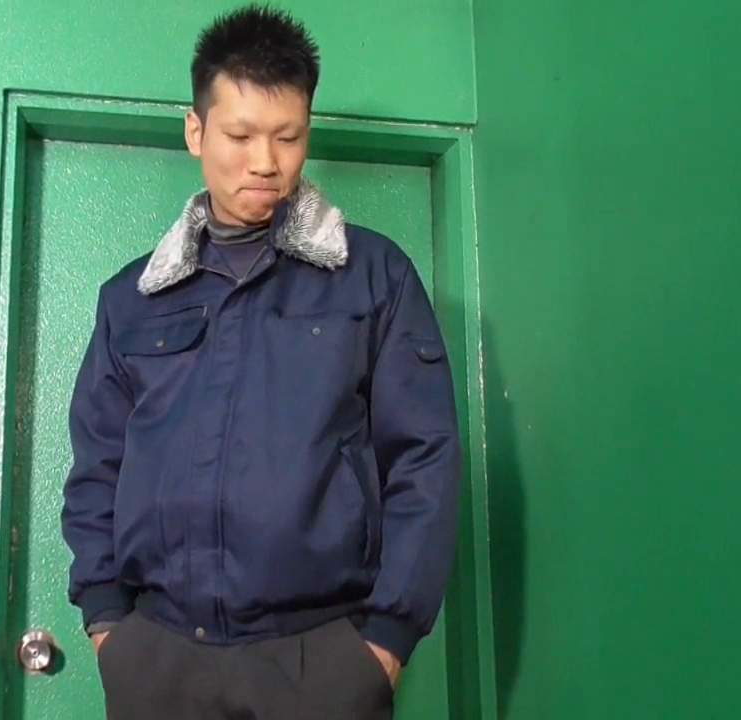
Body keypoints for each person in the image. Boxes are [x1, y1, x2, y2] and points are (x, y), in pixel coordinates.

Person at [60, 5, 461, 718]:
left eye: (289, 136)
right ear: (197, 131)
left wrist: (385, 643)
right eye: (240, 135)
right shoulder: (133, 298)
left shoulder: (373, 276)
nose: (266, 162)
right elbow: (97, 465)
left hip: (321, 659)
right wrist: (108, 625)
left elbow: (424, 460)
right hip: (156, 656)